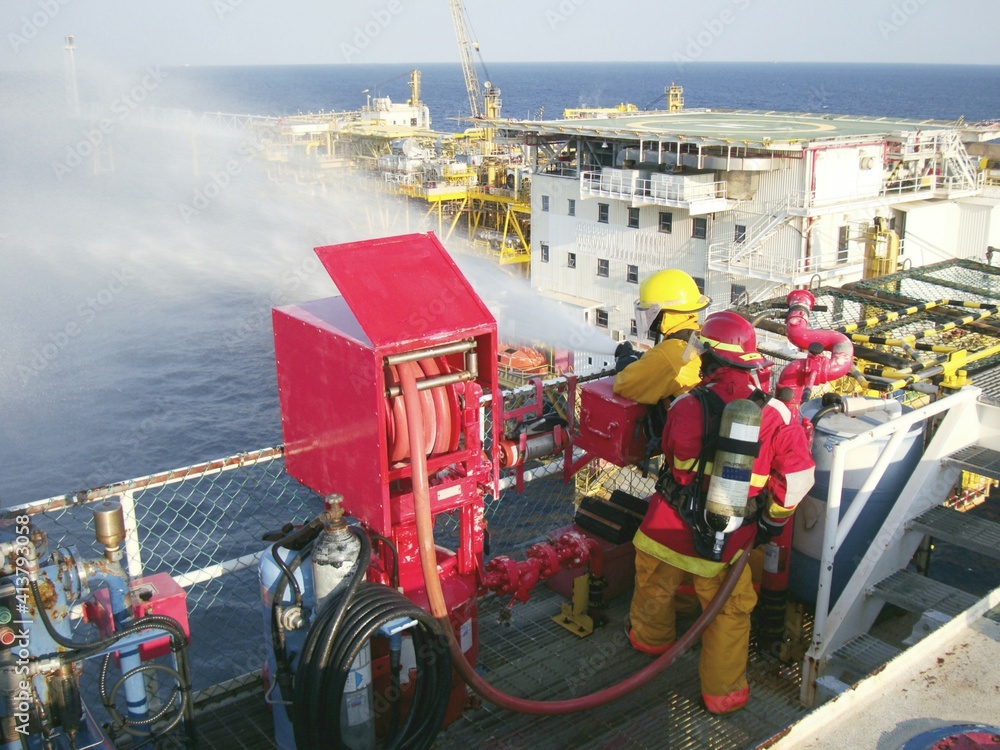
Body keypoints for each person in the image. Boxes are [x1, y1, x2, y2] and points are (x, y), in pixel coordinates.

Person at [626, 311, 815, 715]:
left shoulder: (686, 405)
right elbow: (797, 479)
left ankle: (650, 642)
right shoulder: (777, 415)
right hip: (728, 537)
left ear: (712, 359)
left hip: (667, 529)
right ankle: (722, 694)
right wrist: (770, 521)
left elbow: (676, 463)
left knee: (654, 586)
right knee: (728, 613)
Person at [613, 269, 710, 406]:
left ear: (662, 314)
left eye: (650, 311)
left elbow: (624, 385)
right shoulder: (698, 333)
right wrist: (645, 359)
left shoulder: (669, 353)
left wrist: (626, 362)